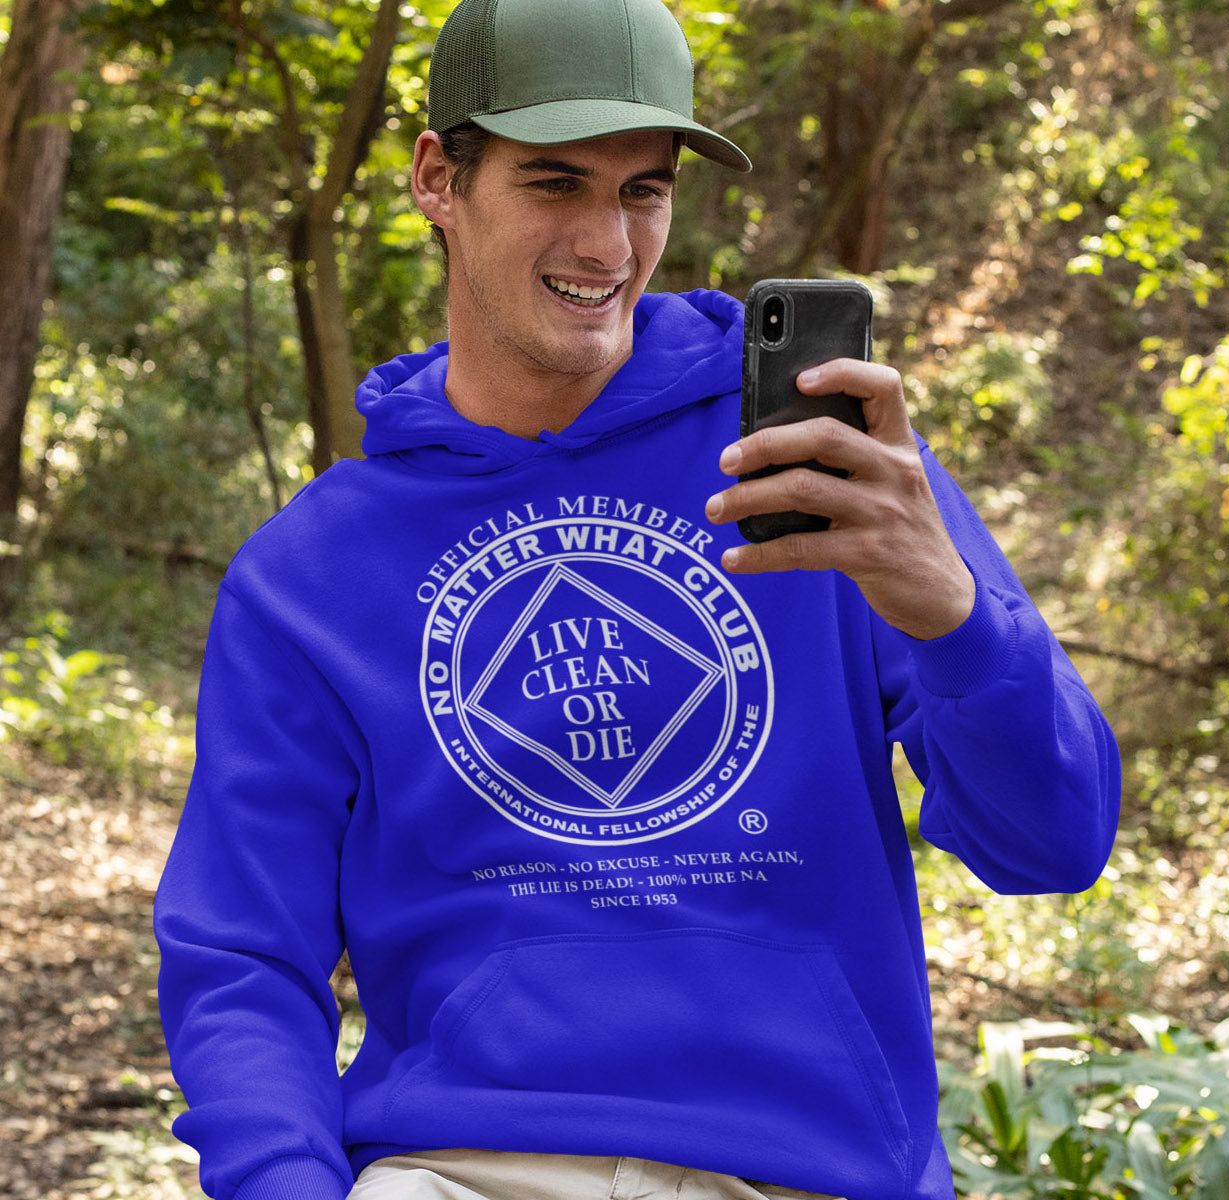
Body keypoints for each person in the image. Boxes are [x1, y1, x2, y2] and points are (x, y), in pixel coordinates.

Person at [154, 1, 1121, 1198]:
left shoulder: (823, 475)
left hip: (805, 1168)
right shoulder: (309, 574)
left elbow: (1052, 847)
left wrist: (956, 621)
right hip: (464, 1166)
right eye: (555, 183)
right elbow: (243, 955)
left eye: (643, 191)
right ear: (437, 180)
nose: (606, 243)